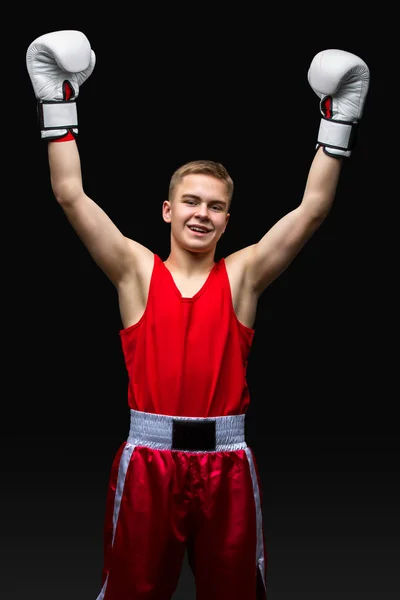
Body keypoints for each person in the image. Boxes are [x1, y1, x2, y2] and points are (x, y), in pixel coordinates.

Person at [26, 30, 370, 600]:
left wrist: (339, 122)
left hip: (227, 468)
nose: (201, 214)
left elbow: (312, 210)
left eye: (215, 206)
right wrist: (56, 100)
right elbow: (70, 194)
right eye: (190, 201)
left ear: (228, 220)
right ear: (167, 210)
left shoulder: (242, 276)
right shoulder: (136, 272)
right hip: (149, 466)